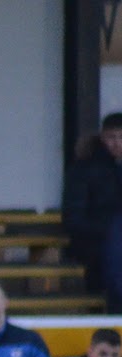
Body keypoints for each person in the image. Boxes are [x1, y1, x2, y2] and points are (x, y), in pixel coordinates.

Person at [60, 112, 122, 297]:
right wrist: (110, 230)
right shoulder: (83, 170)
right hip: (95, 243)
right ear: (102, 138)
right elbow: (73, 217)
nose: (117, 143)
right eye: (112, 137)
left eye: (121, 137)